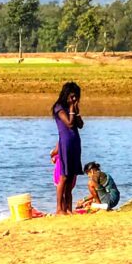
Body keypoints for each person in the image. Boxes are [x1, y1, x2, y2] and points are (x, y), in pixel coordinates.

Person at [49, 82, 83, 215]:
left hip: (75, 143)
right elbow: (69, 123)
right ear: (66, 95)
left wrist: (76, 111)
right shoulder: (59, 108)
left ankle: (68, 207)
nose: (74, 100)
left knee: (72, 176)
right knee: (64, 176)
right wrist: (71, 109)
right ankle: (59, 208)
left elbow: (79, 125)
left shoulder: (72, 108)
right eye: (72, 97)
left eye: (76, 97)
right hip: (66, 143)